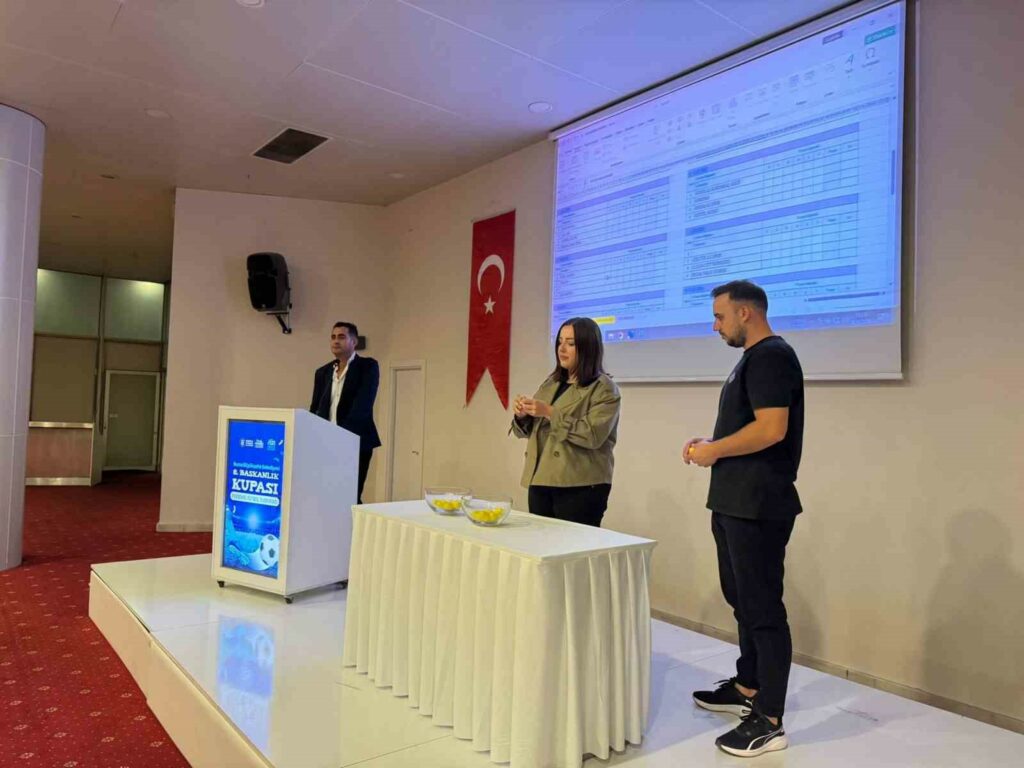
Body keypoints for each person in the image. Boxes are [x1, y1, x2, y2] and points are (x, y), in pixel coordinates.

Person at [682, 280, 804, 758]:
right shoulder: (752, 359)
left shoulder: (772, 356)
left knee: (763, 609)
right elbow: (749, 429)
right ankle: (749, 686)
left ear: (746, 312)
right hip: (734, 502)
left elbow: (772, 429)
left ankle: (769, 720)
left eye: (720, 316)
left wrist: (714, 450)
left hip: (759, 505)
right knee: (742, 600)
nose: (715, 326)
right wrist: (711, 445)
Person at [511, 317, 621, 527]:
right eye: (560, 342)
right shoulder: (552, 382)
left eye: (570, 343)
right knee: (541, 543)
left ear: (588, 348)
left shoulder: (604, 388)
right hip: (541, 479)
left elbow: (592, 435)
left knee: (573, 545)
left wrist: (550, 412)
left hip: (580, 485)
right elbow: (530, 430)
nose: (562, 349)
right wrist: (523, 415)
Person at [310, 321, 381, 503]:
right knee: (326, 493)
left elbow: (363, 406)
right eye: (333, 337)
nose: (336, 341)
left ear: (354, 341)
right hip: (326, 443)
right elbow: (315, 407)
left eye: (341, 337)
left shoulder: (367, 367)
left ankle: (353, 523)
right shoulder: (323, 372)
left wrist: (342, 439)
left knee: (350, 495)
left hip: (355, 442)